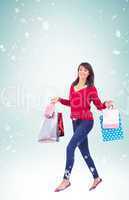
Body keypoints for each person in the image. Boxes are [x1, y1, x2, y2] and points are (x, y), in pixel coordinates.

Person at [51, 62, 114, 192]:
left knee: (70, 147)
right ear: (78, 71)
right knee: (85, 152)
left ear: (89, 73)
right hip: (75, 122)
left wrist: (105, 104)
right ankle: (96, 178)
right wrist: (59, 100)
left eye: (86, 70)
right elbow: (71, 103)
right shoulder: (72, 86)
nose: (83, 72)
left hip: (86, 121)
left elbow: (98, 105)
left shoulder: (91, 88)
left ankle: (65, 180)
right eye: (81, 69)